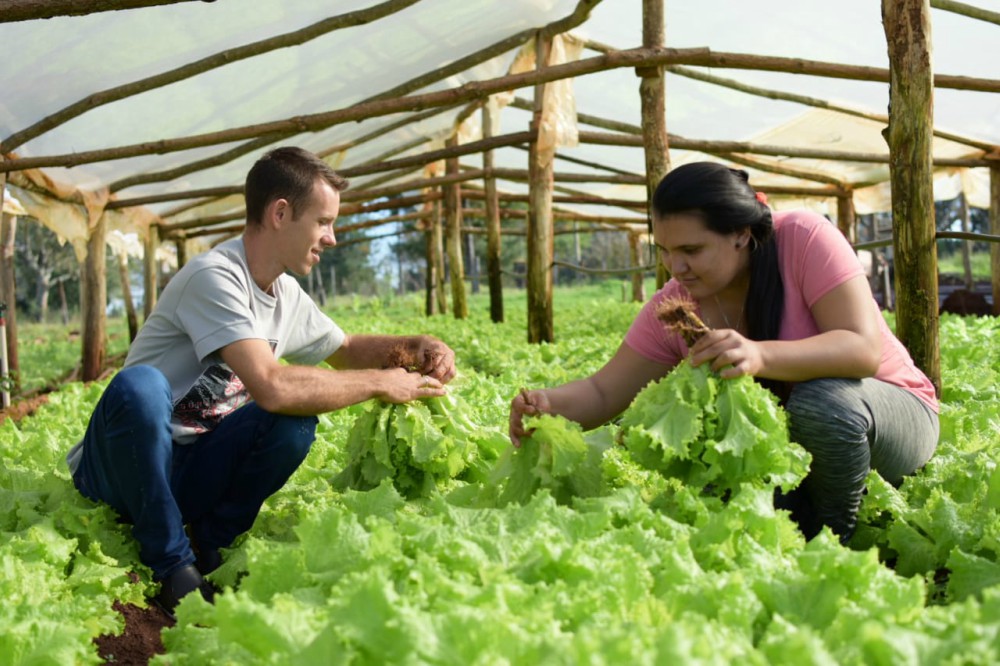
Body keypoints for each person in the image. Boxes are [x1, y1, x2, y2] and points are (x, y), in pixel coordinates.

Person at [66, 146, 457, 616]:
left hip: (187, 471)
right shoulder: (215, 277)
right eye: (323, 222)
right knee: (141, 387)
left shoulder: (285, 293)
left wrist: (414, 347)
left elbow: (347, 349)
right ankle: (172, 567)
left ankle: (210, 543)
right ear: (280, 213)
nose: (331, 238)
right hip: (120, 470)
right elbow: (271, 385)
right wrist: (382, 382)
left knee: (293, 423)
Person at [509, 161, 938, 544]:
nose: (676, 267)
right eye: (665, 251)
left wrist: (760, 354)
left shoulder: (803, 239)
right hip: (794, 452)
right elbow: (603, 393)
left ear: (740, 234)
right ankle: (796, 520)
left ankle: (830, 541)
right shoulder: (676, 308)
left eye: (691, 250)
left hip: (891, 418)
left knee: (821, 403)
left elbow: (862, 349)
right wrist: (548, 405)